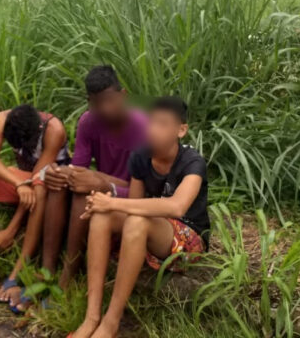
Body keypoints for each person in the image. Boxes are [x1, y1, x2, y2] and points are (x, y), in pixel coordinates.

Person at [70, 97, 209, 338]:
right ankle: (92, 317)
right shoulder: (140, 156)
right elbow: (133, 205)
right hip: (151, 230)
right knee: (103, 216)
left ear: (181, 130)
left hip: (187, 240)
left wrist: (111, 200)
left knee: (133, 219)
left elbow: (177, 207)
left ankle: (110, 323)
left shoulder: (192, 162)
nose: (155, 130)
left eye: (164, 124)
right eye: (152, 123)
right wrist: (105, 206)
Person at [41, 65, 146, 287]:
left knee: (85, 191)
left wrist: (102, 182)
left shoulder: (142, 128)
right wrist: (55, 173)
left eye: (110, 100)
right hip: (104, 189)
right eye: (97, 103)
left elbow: (144, 193)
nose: (105, 109)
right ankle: (47, 269)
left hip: (131, 199)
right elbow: (79, 170)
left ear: (123, 95)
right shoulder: (88, 122)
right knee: (62, 184)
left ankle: (68, 275)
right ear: (90, 102)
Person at [0, 104, 69, 311]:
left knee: (39, 187)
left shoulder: (54, 130)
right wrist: (17, 183)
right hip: (25, 183)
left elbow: (37, 180)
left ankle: (16, 273)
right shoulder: (3, 118)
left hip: (52, 188)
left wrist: (11, 230)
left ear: (37, 130)